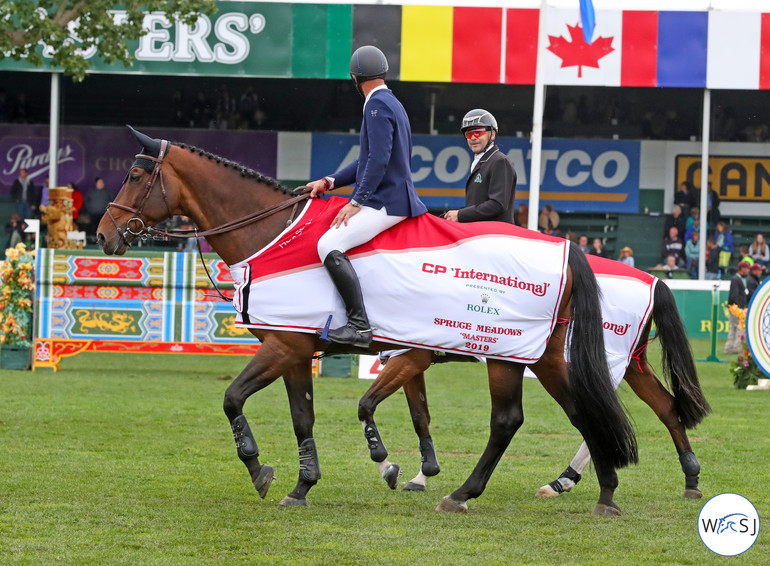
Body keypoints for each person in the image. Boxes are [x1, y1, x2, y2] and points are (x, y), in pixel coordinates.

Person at [306, 45, 427, 348]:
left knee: (328, 243)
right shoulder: (389, 101)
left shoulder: (376, 106)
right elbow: (367, 159)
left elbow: (378, 161)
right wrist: (328, 181)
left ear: (354, 78)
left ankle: (359, 326)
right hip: (391, 196)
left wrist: (356, 202)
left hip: (388, 201)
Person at [444, 109, 516, 224]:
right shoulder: (479, 162)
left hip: (494, 237)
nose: (473, 138)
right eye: (469, 134)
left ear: (492, 134)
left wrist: (460, 215)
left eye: (478, 132)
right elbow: (476, 205)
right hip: (479, 236)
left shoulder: (499, 161)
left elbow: (498, 204)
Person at [725, 261, 751, 354]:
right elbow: (734, 295)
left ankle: (728, 348)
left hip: (734, 308)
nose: (748, 270)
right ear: (742, 269)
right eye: (747, 268)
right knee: (739, 328)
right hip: (736, 309)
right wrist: (739, 307)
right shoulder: (736, 279)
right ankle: (736, 348)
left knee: (733, 328)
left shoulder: (739, 279)